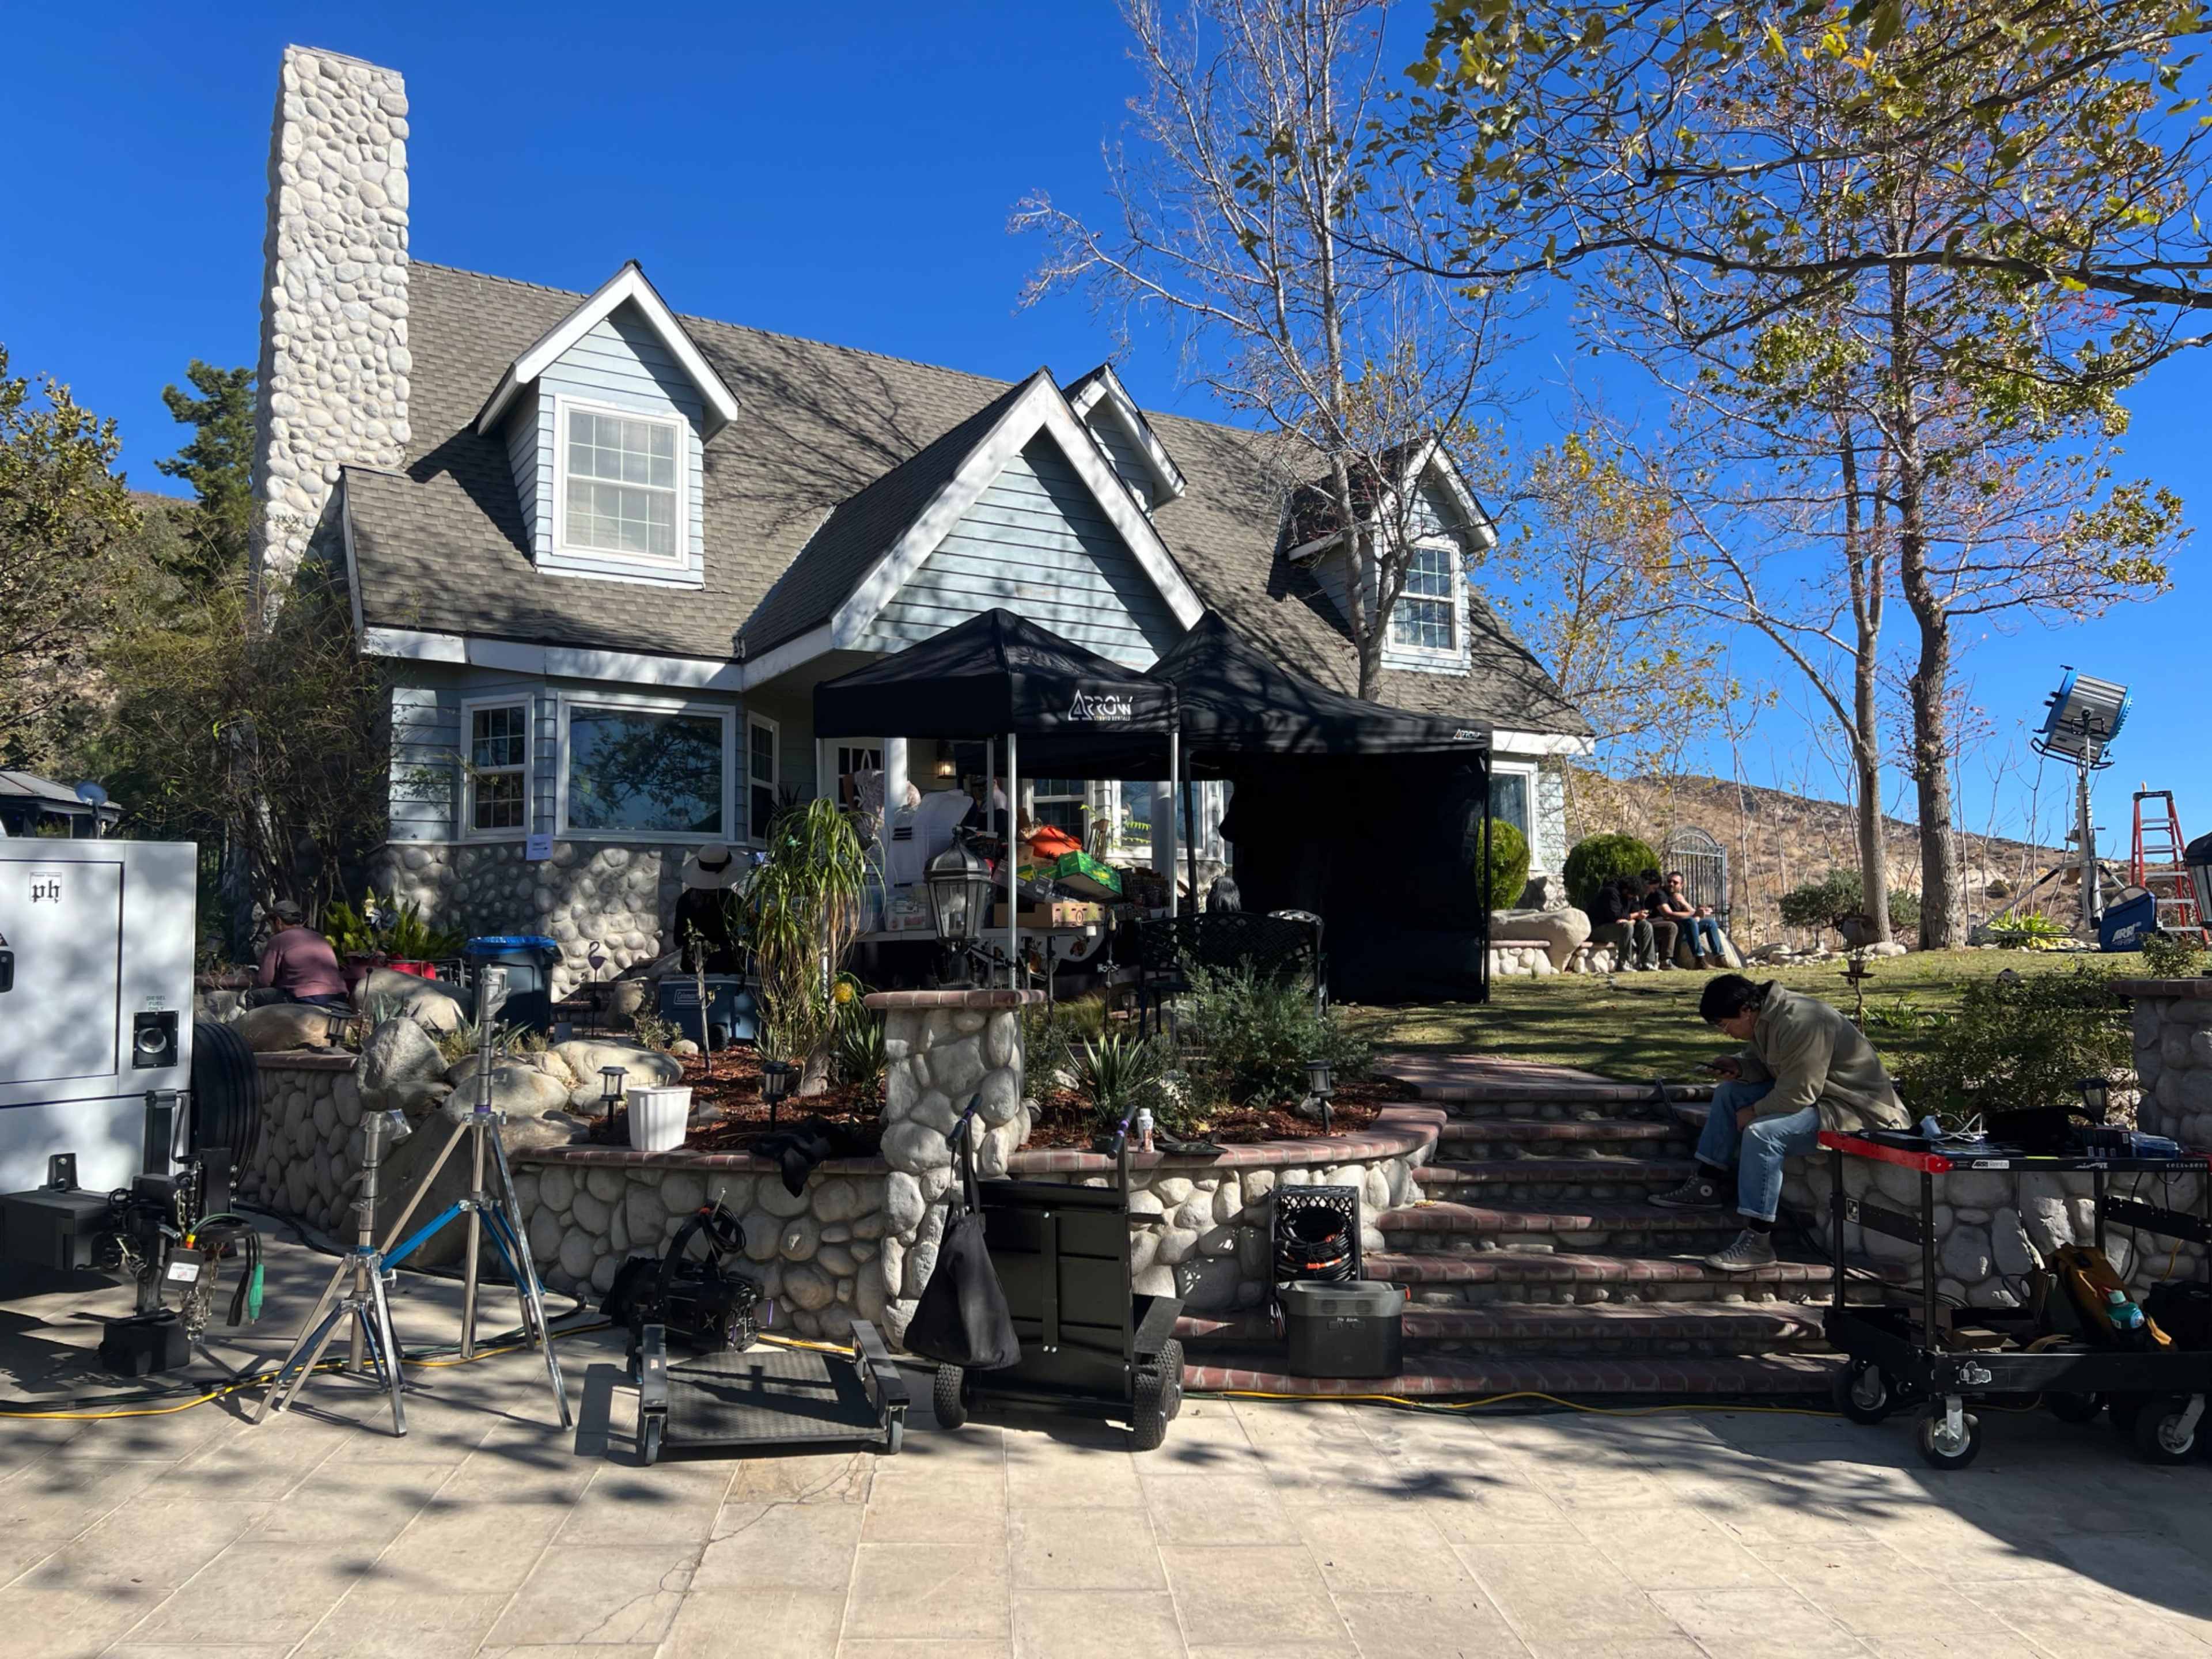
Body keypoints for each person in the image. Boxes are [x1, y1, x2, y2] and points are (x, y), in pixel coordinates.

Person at [1653, 974, 1910, 1270]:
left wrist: (1755, 1112)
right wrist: (1739, 1068)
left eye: (1724, 1025)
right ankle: (1706, 1185)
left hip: (1855, 1110)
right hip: (1820, 1098)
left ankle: (1758, 1242)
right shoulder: (1764, 1018)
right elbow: (1770, 1069)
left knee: (1763, 1134)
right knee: (1729, 1094)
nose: (1725, 1033)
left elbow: (1799, 1092)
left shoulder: (1802, 1021)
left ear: (1745, 1011)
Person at [248, 901, 351, 1009]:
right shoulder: (320, 938)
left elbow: (265, 981)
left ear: (278, 922)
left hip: (304, 998)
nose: (272, 929)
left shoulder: (277, 940)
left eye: (271, 924)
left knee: (252, 997)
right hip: (339, 997)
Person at [1656, 870, 1731, 968]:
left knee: (1710, 923)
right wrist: (1694, 914)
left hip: (1685, 930)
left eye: (1675, 882)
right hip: (1672, 931)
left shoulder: (1678, 896)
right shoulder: (1661, 894)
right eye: (1669, 881)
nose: (1671, 884)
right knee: (1690, 921)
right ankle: (1699, 959)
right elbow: (1668, 915)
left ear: (1681, 885)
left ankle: (1720, 958)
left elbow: (1694, 914)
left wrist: (1684, 903)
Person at [1587, 878, 1657, 970]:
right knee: (1626, 927)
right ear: (1626, 890)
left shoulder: (1632, 895)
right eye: (1632, 895)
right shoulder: (1610, 892)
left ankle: (1648, 962)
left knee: (1646, 925)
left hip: (1620, 927)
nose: (1633, 897)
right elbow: (1616, 916)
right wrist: (1635, 916)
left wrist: (1633, 919)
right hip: (1599, 929)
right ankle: (1624, 963)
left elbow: (1635, 913)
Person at [1635, 869, 1680, 969]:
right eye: (1653, 888)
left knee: (1672, 925)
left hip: (1645, 921)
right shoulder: (1637, 894)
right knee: (1671, 925)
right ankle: (1653, 961)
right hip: (1638, 923)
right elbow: (1668, 913)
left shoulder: (1648, 895)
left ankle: (1666, 960)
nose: (1653, 891)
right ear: (1646, 884)